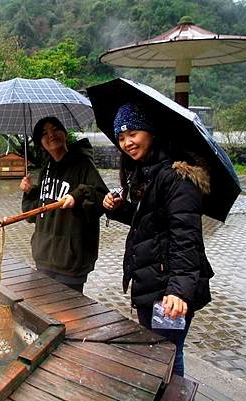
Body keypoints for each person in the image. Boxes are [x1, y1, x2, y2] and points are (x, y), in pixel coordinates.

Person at [102, 102, 214, 377]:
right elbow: (152, 222)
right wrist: (121, 209)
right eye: (121, 137)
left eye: (133, 133)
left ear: (151, 131)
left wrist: (178, 291)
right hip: (151, 282)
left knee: (166, 355)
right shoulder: (147, 173)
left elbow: (186, 238)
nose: (127, 143)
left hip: (168, 289)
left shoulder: (177, 177)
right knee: (158, 353)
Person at [20, 116, 108, 292]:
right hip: (44, 256)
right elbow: (35, 213)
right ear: (40, 142)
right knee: (46, 312)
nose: (51, 135)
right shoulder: (46, 169)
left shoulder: (83, 164)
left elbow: (101, 197)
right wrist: (30, 192)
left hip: (70, 259)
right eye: (44, 133)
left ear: (65, 133)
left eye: (55, 129)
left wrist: (77, 196)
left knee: (69, 316)